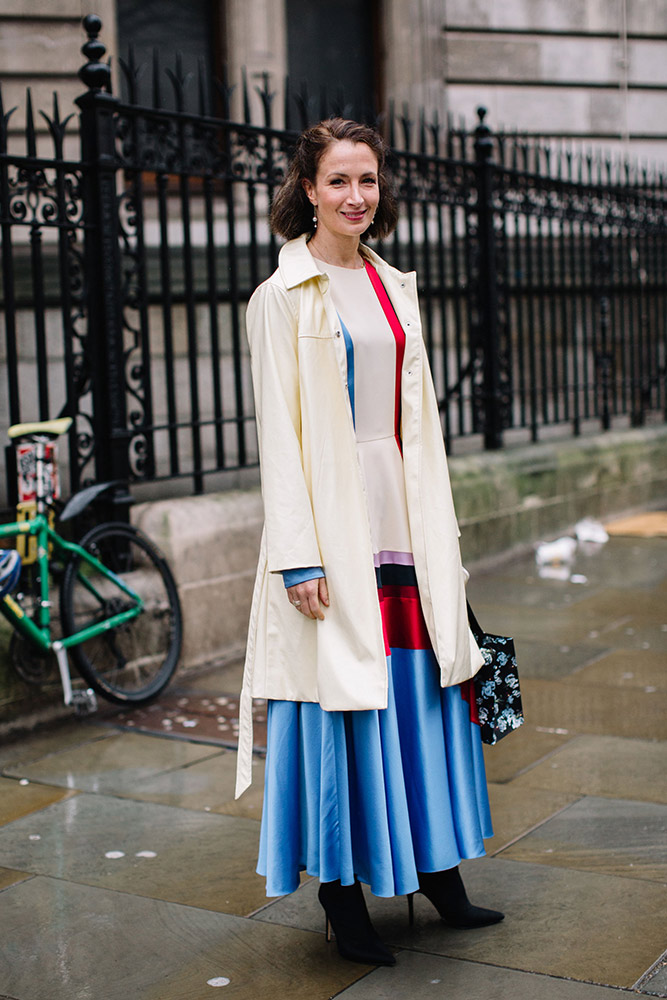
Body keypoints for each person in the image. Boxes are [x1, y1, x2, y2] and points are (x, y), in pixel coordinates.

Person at [235, 117, 503, 966]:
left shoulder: (395, 285)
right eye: (339, 181)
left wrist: (441, 534)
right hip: (331, 522)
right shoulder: (281, 296)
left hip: (404, 514)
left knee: (422, 689)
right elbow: (278, 435)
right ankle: (342, 898)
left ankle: (436, 871)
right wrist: (297, 554)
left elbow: (413, 423)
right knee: (341, 707)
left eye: (368, 181)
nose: (356, 196)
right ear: (306, 190)